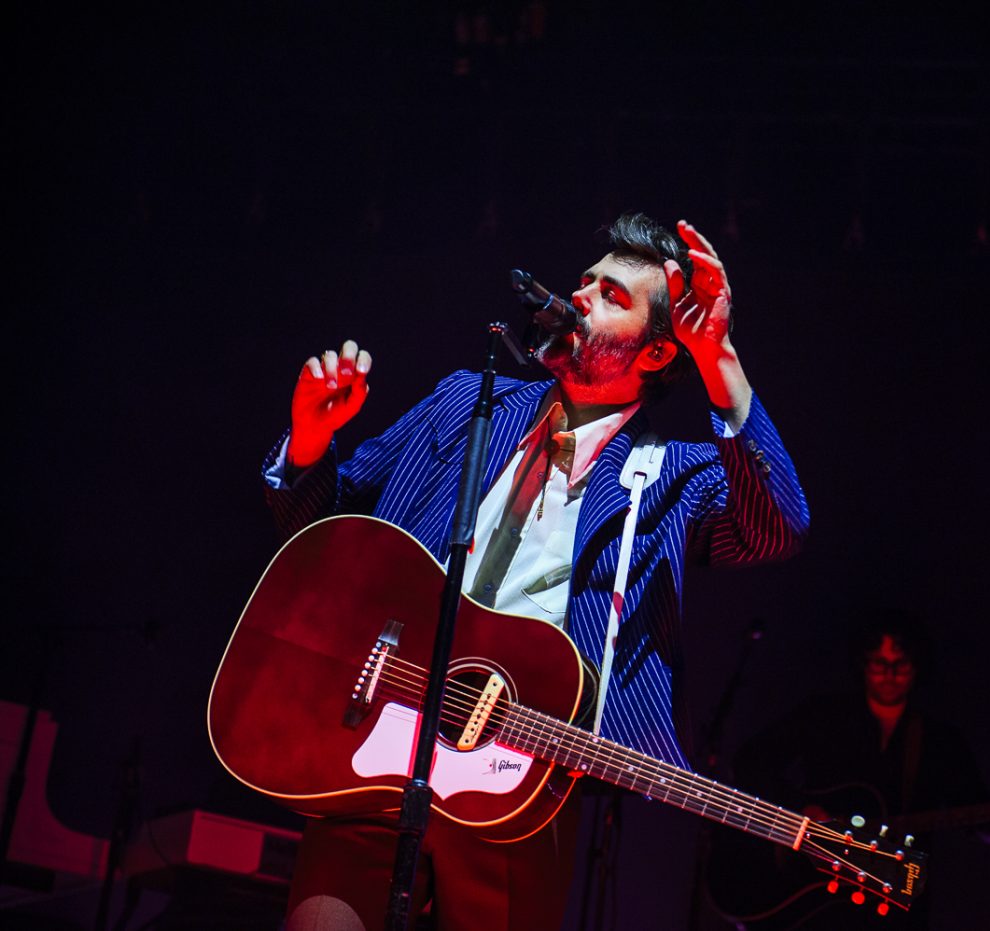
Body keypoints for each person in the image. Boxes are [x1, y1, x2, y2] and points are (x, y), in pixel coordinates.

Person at [261, 213, 809, 930]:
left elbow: (778, 525)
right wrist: (308, 443)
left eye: (612, 296)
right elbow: (325, 533)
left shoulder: (673, 477)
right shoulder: (466, 401)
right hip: (375, 741)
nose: (580, 296)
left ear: (654, 353)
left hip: (522, 786)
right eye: (584, 282)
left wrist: (721, 358)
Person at [716, 613, 990, 929]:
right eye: (879, 663)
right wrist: (801, 809)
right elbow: (750, 761)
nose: (889, 675)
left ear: (917, 667)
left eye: (900, 664)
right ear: (863, 664)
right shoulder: (826, 716)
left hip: (892, 905)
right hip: (816, 903)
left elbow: (981, 816)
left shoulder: (939, 740)